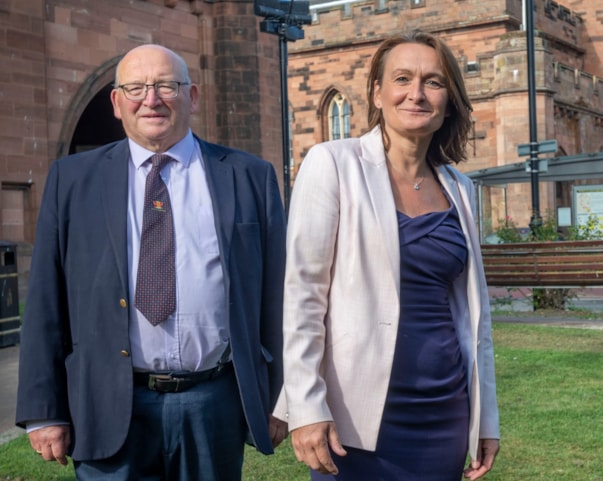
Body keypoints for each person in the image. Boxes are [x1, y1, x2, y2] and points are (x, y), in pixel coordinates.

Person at [16, 44, 288, 479]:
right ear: (116, 102)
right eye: (136, 87)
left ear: (192, 96)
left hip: (212, 401)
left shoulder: (248, 175)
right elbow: (47, 299)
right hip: (106, 401)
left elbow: (278, 294)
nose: (152, 98)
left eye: (166, 85)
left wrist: (284, 397)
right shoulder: (72, 180)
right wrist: (43, 410)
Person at [280, 30, 500, 481]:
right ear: (377, 94)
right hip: (355, 417)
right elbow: (303, 295)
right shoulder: (332, 164)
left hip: (445, 412)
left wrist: (486, 418)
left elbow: (476, 320)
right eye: (402, 79)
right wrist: (305, 404)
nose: (416, 93)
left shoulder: (460, 187)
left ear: (449, 100)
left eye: (433, 82)